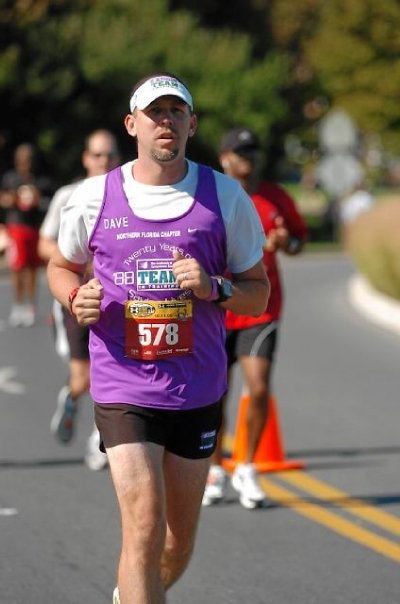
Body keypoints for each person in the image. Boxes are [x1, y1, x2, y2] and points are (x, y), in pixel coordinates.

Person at [47, 72, 269, 604]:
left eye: (176, 111)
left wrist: (214, 287)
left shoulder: (225, 197)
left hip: (196, 388)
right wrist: (73, 297)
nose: (164, 121)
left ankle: (132, 594)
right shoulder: (94, 196)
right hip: (123, 382)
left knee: (176, 541)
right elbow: (62, 266)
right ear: (132, 124)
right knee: (144, 525)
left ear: (192, 124)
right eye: (154, 112)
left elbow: (256, 294)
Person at [202, 127, 307, 509]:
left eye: (253, 152)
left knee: (258, 388)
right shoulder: (208, 196)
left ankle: (246, 466)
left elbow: (298, 240)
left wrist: (286, 244)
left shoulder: (275, 197)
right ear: (225, 157)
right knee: (215, 395)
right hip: (215, 308)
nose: (249, 159)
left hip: (261, 307)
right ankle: (215, 469)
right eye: (240, 152)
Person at [38, 129, 120, 470]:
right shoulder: (68, 195)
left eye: (110, 156)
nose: (103, 162)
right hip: (75, 301)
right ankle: (71, 396)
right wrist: (78, 260)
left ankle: (98, 440)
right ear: (86, 158)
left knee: (112, 372)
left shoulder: (126, 195)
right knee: (83, 380)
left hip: (114, 302)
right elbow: (44, 245)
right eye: (97, 155)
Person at [0, 143, 53, 326]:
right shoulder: (10, 178)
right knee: (17, 267)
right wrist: (12, 199)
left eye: (29, 158)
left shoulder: (40, 180)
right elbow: (4, 199)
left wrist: (38, 200)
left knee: (31, 268)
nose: (26, 162)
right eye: (23, 158)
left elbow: (48, 202)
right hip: (16, 227)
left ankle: (31, 306)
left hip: (34, 227)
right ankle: (18, 305)